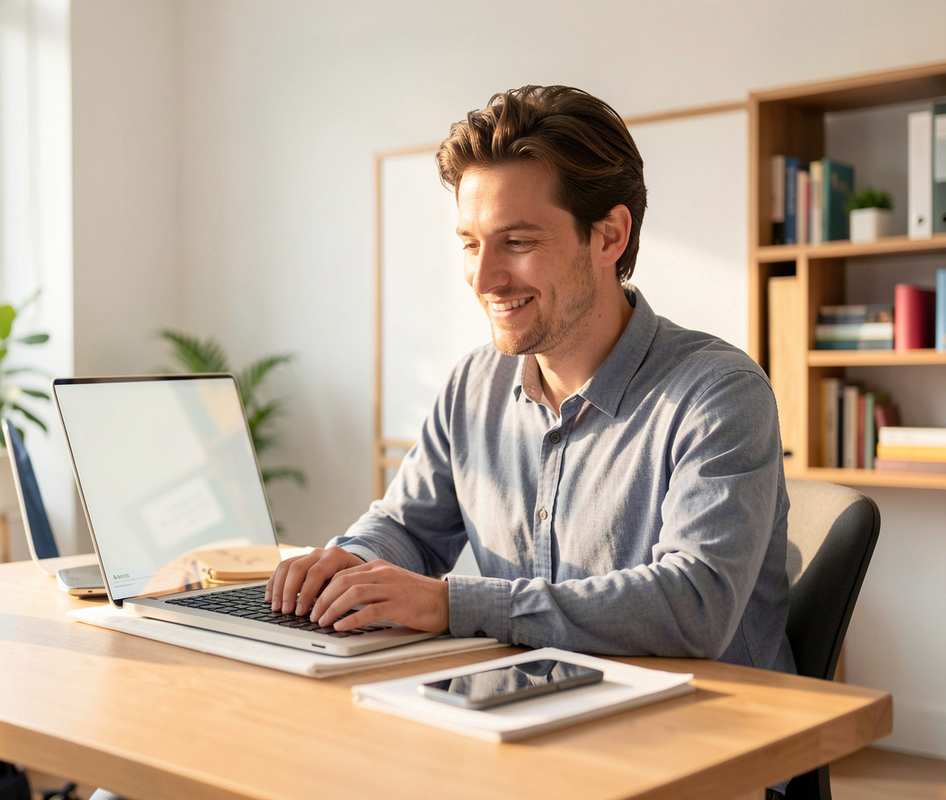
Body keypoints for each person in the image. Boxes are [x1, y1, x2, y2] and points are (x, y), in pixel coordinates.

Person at [266, 85, 796, 675]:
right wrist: (346, 563)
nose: (484, 278)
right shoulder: (475, 384)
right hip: (531, 711)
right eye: (471, 245)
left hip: (707, 734)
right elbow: (407, 528)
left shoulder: (718, 392)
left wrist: (452, 603)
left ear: (609, 236)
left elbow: (695, 603)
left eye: (517, 242)